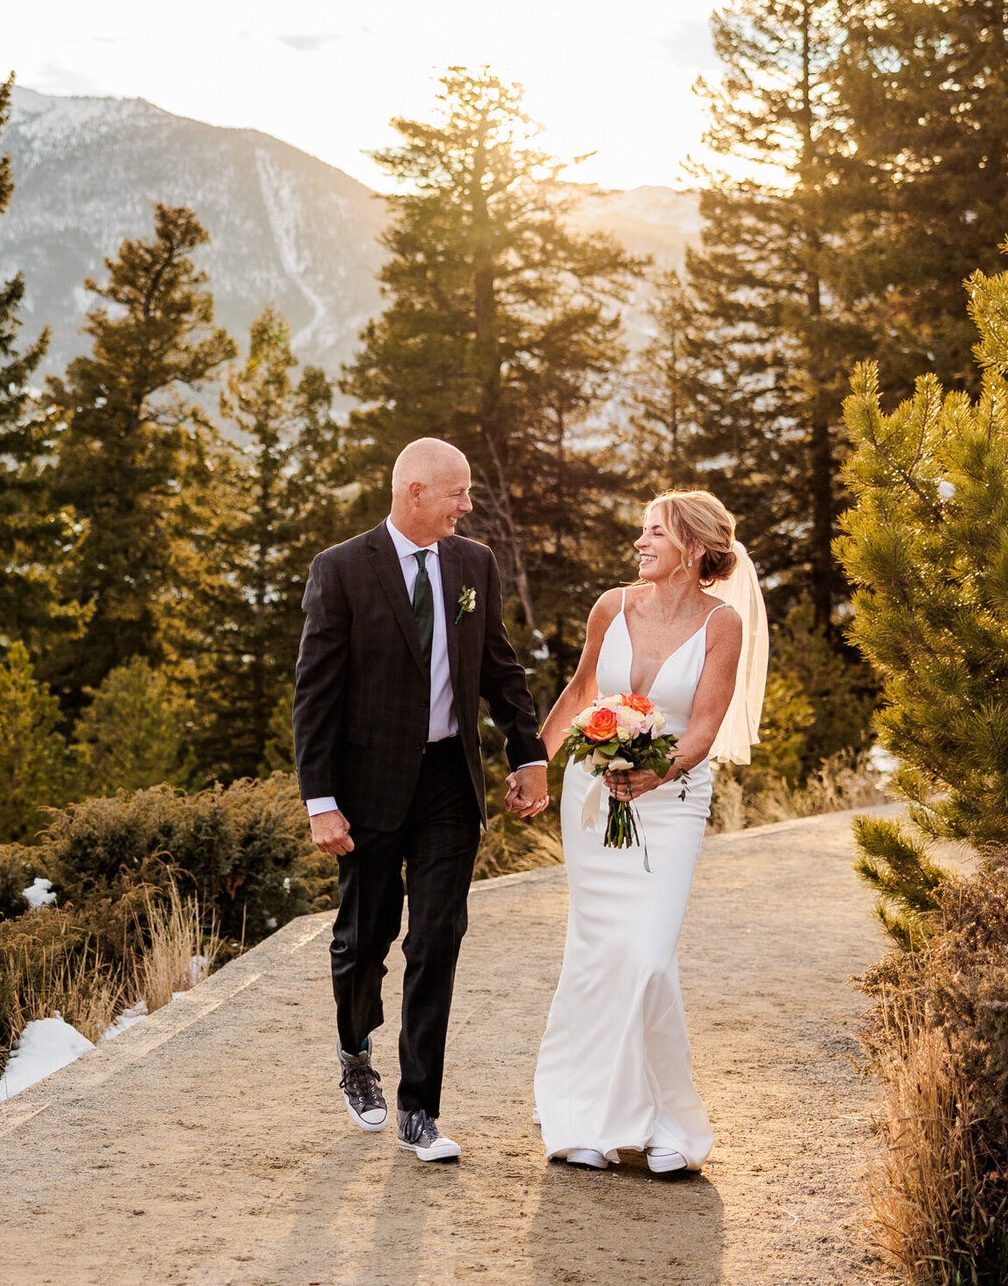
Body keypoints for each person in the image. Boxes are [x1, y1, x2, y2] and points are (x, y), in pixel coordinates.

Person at [293, 437, 549, 1163]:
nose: (467, 507)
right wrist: (321, 800)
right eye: (456, 493)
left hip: (448, 784)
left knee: (437, 940)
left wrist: (527, 753)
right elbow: (315, 697)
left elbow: (499, 664)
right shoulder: (341, 569)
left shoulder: (474, 564)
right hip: (367, 789)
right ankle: (353, 1051)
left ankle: (419, 1111)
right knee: (361, 942)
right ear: (413, 493)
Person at [520, 489, 767, 1173]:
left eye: (654, 533)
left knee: (651, 956)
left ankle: (668, 1126)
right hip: (595, 796)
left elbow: (707, 727)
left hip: (674, 798)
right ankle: (586, 1120)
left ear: (692, 548)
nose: (639, 543)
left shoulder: (722, 626)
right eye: (641, 532)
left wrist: (656, 776)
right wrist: (535, 764)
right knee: (598, 951)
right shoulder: (612, 607)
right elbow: (578, 692)